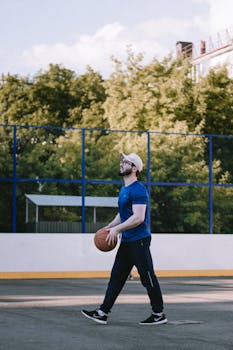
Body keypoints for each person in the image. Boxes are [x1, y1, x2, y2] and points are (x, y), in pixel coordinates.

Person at [81, 152, 167, 325]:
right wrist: (110, 227)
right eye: (121, 161)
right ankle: (102, 312)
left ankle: (158, 314)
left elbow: (138, 217)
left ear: (134, 168)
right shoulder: (124, 189)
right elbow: (123, 214)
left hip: (140, 240)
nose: (121, 164)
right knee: (117, 277)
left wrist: (118, 229)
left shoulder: (138, 190)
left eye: (125, 162)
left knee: (147, 277)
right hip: (127, 241)